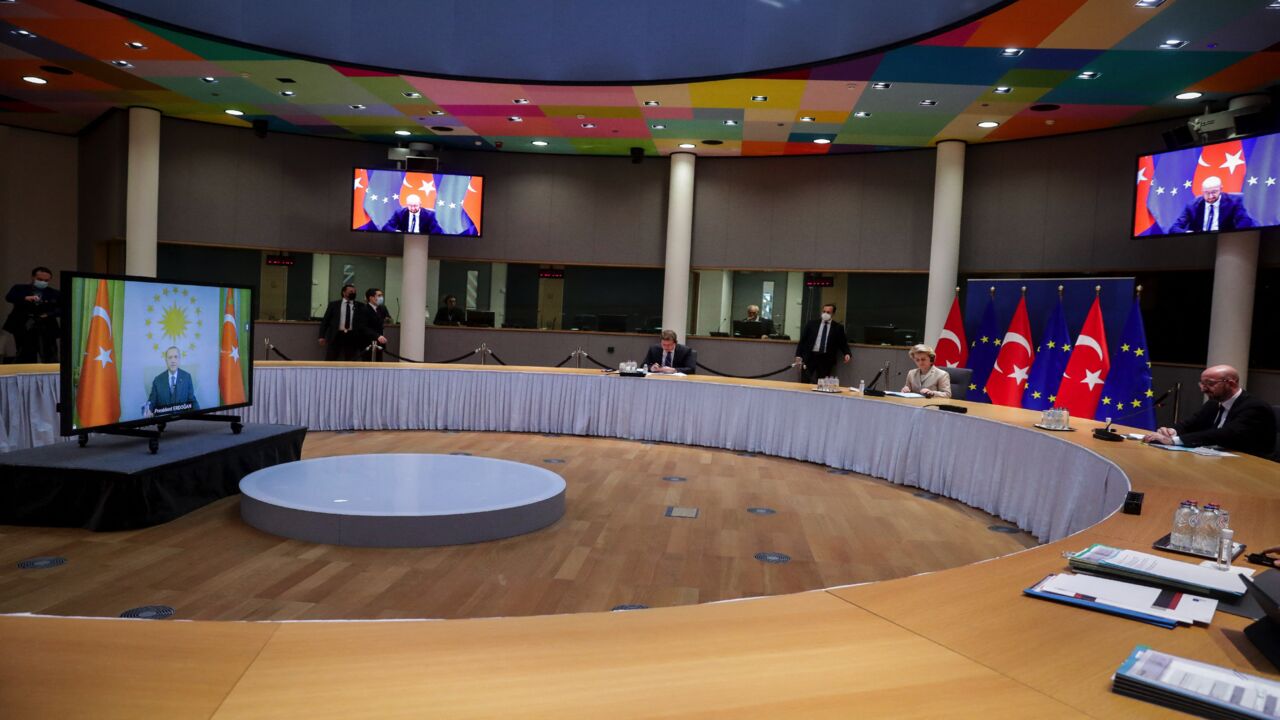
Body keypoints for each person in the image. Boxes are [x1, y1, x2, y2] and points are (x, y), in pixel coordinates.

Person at [1142, 364, 1276, 458]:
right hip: (1221, 458)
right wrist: (1171, 432)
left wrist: (1173, 441)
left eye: (1210, 384)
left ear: (1231, 384)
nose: (1203, 389)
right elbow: (1191, 424)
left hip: (1252, 464)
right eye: (1202, 383)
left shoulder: (1254, 407)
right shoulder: (1214, 403)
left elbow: (1224, 434)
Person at [4, 266, 61, 363]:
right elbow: (9, 297)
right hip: (23, 324)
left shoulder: (54, 293)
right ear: (33, 277)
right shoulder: (19, 288)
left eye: (46, 280)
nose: (43, 282)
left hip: (46, 324)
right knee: (25, 353)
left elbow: (62, 308)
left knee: (49, 353)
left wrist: (48, 314)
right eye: (40, 279)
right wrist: (25, 298)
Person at [1168, 176, 1255, 234]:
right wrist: (1188, 234)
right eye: (1206, 193)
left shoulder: (1234, 202)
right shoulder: (1193, 206)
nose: (1210, 196)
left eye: (1214, 192)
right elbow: (1174, 228)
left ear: (1221, 189)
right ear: (1202, 191)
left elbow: (1245, 222)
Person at [794, 303, 850, 384]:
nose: (825, 314)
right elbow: (803, 341)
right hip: (810, 357)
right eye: (824, 311)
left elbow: (843, 343)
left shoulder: (838, 327)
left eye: (828, 312)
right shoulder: (811, 324)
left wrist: (847, 353)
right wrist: (798, 355)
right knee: (805, 380)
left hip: (826, 359)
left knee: (822, 384)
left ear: (833, 314)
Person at [319, 284, 369, 361]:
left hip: (352, 336)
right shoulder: (334, 305)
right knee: (331, 358)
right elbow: (325, 321)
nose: (353, 293)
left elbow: (364, 322)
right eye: (350, 291)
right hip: (336, 335)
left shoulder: (360, 306)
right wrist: (321, 336)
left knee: (351, 359)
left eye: (354, 292)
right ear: (344, 293)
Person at [146, 346, 198, 415]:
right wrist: (147, 410)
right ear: (166, 360)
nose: (173, 361)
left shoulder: (187, 377)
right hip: (164, 421)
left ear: (179, 359)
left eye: (176, 357)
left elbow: (192, 401)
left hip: (182, 421)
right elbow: (151, 402)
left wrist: (199, 415)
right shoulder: (157, 380)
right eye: (170, 357)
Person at [363, 288, 391, 362]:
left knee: (379, 363)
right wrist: (377, 336)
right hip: (367, 342)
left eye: (382, 295)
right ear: (371, 298)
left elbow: (388, 319)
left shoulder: (382, 308)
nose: (381, 297)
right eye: (379, 295)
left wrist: (388, 320)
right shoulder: (363, 309)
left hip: (380, 342)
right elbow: (363, 327)